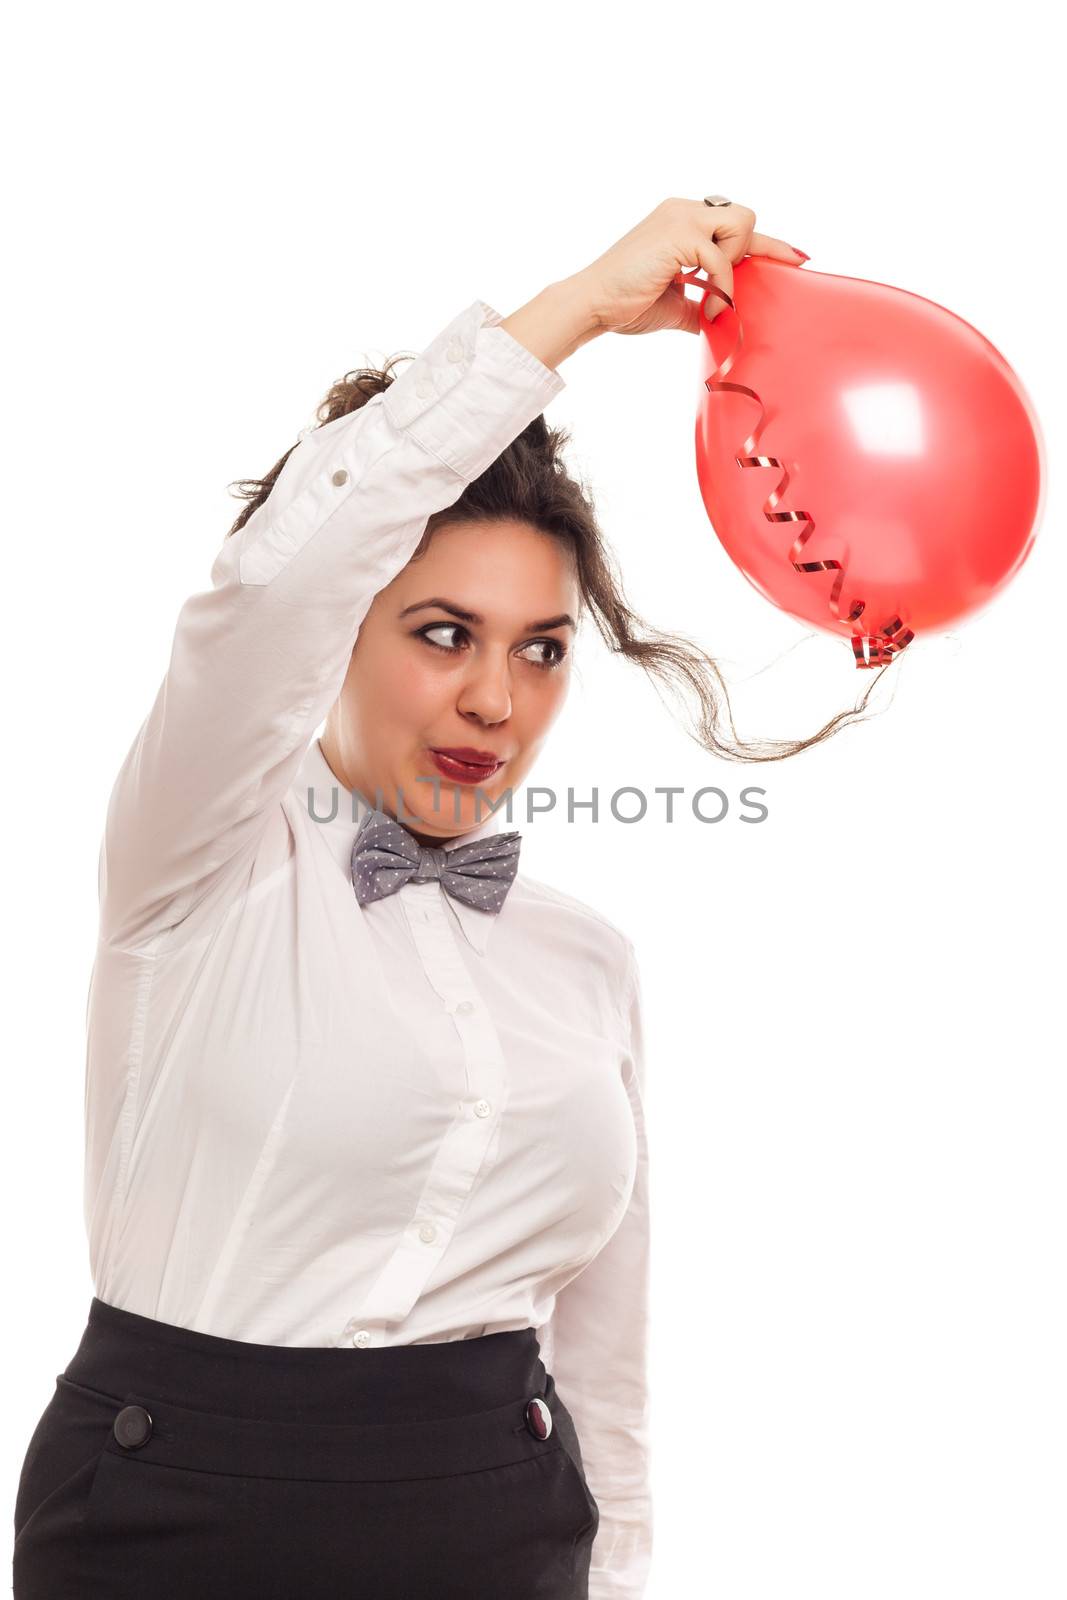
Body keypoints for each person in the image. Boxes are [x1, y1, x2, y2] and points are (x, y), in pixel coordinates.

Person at [13, 198, 809, 1600]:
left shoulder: (584, 958)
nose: (494, 701)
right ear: (347, 629)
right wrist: (573, 313)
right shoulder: (195, 857)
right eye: (441, 635)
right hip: (177, 1523)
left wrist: (618, 1575)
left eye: (542, 651)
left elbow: (605, 1356)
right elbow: (277, 582)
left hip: (505, 1528)